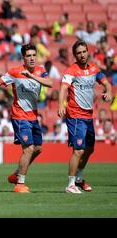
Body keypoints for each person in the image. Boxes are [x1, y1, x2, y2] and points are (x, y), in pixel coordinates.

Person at [0, 44, 53, 193]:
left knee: (37, 149)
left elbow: (50, 83)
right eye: (29, 56)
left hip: (33, 115)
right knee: (28, 148)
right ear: (23, 58)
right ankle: (20, 184)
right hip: (19, 116)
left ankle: (16, 174)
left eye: (34, 55)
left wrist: (32, 76)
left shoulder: (41, 70)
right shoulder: (15, 72)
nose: (32, 58)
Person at [58, 40, 113, 194]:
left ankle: (79, 179)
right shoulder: (71, 71)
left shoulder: (94, 69)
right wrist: (61, 105)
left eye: (84, 51)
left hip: (88, 116)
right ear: (75, 55)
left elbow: (106, 83)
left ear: (88, 52)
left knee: (89, 149)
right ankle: (70, 184)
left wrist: (108, 91)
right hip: (75, 115)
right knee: (78, 150)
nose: (82, 55)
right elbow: (63, 88)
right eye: (78, 53)